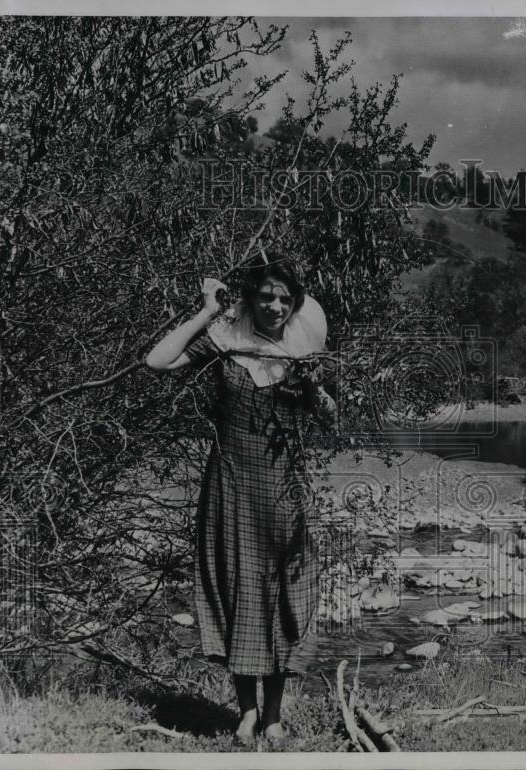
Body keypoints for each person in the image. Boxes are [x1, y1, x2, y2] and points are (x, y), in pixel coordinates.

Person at [146, 265, 333, 745]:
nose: (275, 308)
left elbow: (331, 417)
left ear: (294, 305)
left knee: (285, 597)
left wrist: (312, 386)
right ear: (251, 301)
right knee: (239, 593)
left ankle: (273, 717)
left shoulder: (300, 354)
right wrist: (207, 312)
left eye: (284, 301)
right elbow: (157, 362)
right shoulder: (225, 343)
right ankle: (247, 714)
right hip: (231, 487)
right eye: (267, 298)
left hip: (284, 492)